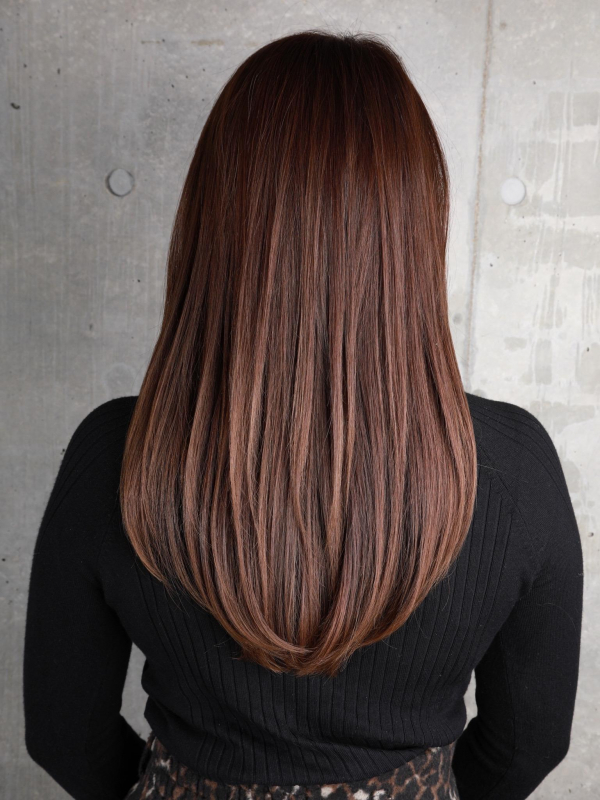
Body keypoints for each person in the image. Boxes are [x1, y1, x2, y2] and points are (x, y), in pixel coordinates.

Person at [23, 29, 583, 800]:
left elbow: (64, 733)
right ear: (412, 228)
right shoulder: (513, 469)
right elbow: (528, 745)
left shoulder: (118, 455)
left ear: (214, 218)